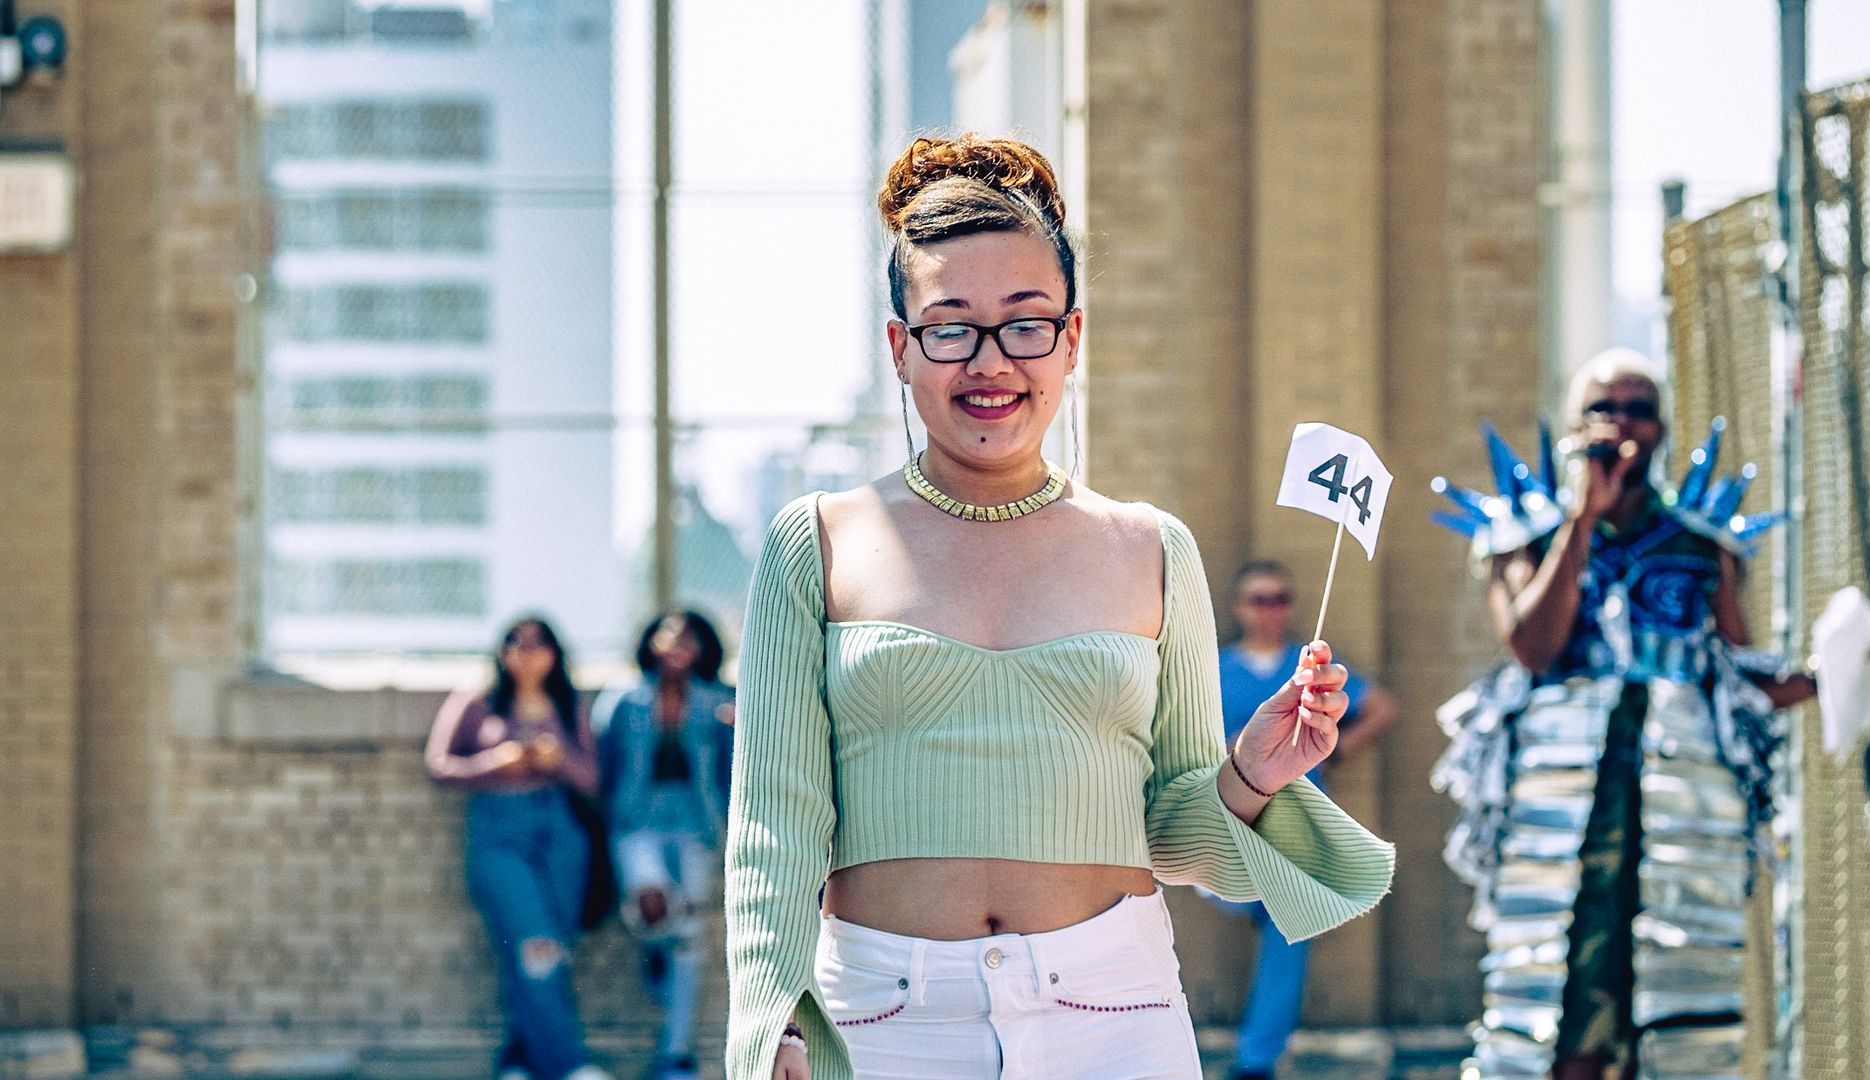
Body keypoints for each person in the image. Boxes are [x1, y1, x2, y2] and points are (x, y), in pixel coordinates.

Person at [724, 134, 1396, 1080]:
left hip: (1116, 1014)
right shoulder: (819, 540)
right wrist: (771, 1025)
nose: (991, 361)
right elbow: (773, 828)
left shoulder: (1152, 547)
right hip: (881, 1022)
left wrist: (1251, 772)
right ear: (900, 349)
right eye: (950, 326)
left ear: (1071, 340)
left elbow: (1168, 832)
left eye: (1026, 323)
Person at [1431, 350, 1870, 1080]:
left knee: (1673, 1013)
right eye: (1603, 407)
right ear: (1572, 428)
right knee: (1554, 1008)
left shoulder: (1701, 545)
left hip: (1682, 810)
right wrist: (1582, 521)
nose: (1621, 421)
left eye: (1639, 407)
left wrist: (1833, 674)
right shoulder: (1523, 537)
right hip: (1562, 817)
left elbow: (1735, 674)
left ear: (1661, 429)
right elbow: (1533, 646)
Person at [1217, 560, 1398, 1080]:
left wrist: (1335, 752)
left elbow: (1383, 707)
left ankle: (1255, 1060)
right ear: (1239, 608)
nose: (1269, 608)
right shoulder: (1215, 668)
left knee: (1287, 933)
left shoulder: (1309, 674)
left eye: (1279, 598)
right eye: (1258, 598)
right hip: (1227, 824)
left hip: (1293, 828)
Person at [424, 617, 611, 1080]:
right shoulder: (478, 700)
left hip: (560, 834)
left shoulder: (569, 704)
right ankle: (571, 1066)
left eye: (539, 643)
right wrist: (496, 762)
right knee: (536, 947)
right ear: (502, 652)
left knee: (544, 952)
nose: (528, 653)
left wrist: (558, 758)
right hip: (500, 831)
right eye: (517, 643)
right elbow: (439, 765)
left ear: (555, 653)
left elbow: (593, 778)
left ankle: (519, 1060)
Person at [599, 610, 735, 1080]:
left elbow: (735, 771)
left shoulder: (718, 702)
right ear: (651, 642)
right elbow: (605, 765)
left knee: (691, 939)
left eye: (689, 639)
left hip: (696, 824)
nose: (678, 646)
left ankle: (675, 1055)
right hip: (638, 822)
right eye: (669, 636)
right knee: (653, 902)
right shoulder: (624, 701)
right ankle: (656, 947)